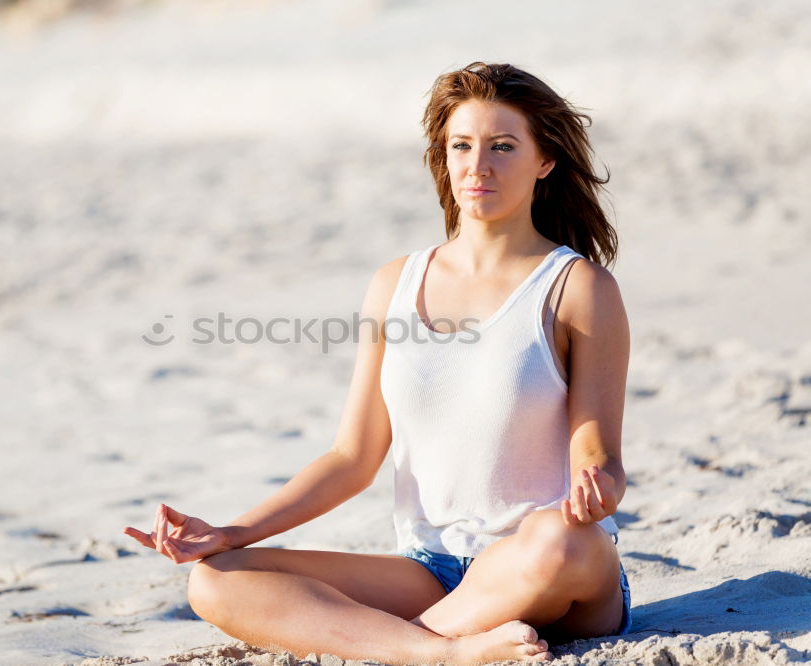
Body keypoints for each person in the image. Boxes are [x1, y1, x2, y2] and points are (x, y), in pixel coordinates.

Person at [124, 61, 632, 665]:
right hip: (432, 571)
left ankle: (402, 644)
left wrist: (597, 487)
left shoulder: (576, 287)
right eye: (461, 146)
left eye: (503, 146)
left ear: (543, 160)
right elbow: (351, 458)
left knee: (559, 540)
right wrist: (231, 534)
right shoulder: (395, 283)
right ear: (442, 159)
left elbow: (598, 454)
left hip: (551, 567)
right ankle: (444, 651)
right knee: (215, 579)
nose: (478, 165)